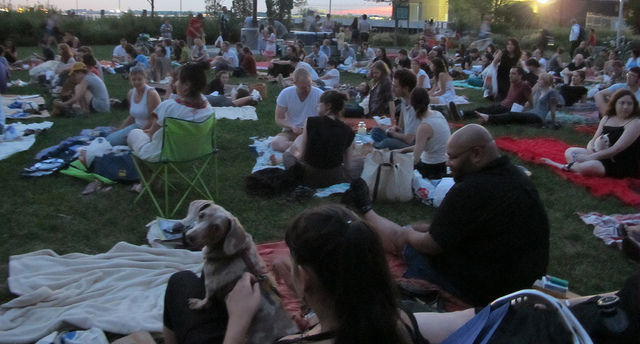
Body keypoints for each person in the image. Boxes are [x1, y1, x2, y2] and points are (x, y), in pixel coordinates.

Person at [342, 124, 550, 307]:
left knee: (404, 241)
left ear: (476, 154)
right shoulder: (516, 178)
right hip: (514, 280)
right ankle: (366, 210)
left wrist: (407, 235)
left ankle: (364, 209)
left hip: (482, 291)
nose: (447, 163)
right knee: (419, 229)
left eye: (452, 157)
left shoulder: (471, 190)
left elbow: (431, 245)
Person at [163, 204, 428, 344]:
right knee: (199, 280)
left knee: (180, 281)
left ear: (304, 276)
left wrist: (238, 323)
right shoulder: (400, 322)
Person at [543, 89, 640, 179]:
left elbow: (616, 149)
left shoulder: (635, 123)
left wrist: (590, 157)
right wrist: (590, 149)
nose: (625, 107)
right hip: (600, 155)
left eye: (629, 104)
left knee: (590, 165)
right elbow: (593, 140)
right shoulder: (607, 118)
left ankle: (564, 166)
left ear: (634, 106)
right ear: (615, 104)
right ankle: (579, 168)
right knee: (570, 152)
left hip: (619, 162)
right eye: (622, 103)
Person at [128, 62, 214, 162]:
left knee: (134, 133)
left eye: (177, 80)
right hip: (195, 154)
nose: (175, 84)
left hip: (163, 156)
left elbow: (151, 135)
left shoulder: (168, 107)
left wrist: (143, 132)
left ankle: (142, 171)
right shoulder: (209, 110)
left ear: (186, 85)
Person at [280, 90, 363, 188]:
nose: (317, 105)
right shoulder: (348, 130)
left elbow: (302, 157)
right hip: (335, 178)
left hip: (308, 176)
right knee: (359, 161)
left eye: (319, 103)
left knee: (287, 156)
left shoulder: (310, 121)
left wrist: (296, 153)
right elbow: (348, 166)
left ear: (328, 105)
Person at [477, 73, 564, 128]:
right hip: (532, 113)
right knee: (513, 116)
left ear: (545, 81)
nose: (537, 81)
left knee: (512, 115)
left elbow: (553, 109)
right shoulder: (539, 91)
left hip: (538, 117)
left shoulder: (551, 92)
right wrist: (523, 108)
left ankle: (489, 118)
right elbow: (532, 104)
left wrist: (554, 122)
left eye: (540, 79)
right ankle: (489, 120)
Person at [400, 87, 451, 179]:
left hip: (432, 168)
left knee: (398, 164)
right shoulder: (438, 114)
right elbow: (421, 146)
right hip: (444, 163)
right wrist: (403, 150)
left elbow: (415, 160)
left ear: (412, 104)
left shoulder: (424, 127)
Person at [271, 67, 324, 153]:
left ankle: (298, 149)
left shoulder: (320, 94)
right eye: (303, 87)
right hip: (291, 131)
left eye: (309, 85)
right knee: (276, 143)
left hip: (312, 132)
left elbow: (326, 118)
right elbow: (279, 118)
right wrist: (292, 126)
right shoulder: (286, 93)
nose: (307, 89)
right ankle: (304, 149)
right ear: (294, 83)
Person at [106, 66, 161, 146]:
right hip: (136, 126)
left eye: (139, 79)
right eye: (134, 79)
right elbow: (132, 116)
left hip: (149, 130)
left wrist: (137, 134)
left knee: (112, 143)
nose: (136, 82)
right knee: (109, 140)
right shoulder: (131, 93)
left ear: (145, 79)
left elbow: (154, 119)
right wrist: (121, 129)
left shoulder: (151, 94)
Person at [371, 69, 418, 150]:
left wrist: (388, 131)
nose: (392, 89)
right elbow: (400, 128)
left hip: (413, 144)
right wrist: (394, 128)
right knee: (376, 130)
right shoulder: (404, 100)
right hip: (405, 136)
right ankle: (379, 145)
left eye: (395, 86)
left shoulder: (415, 107)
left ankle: (376, 145)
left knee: (387, 142)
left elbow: (409, 139)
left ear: (406, 88)